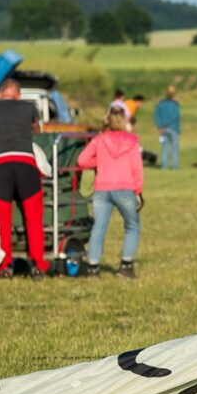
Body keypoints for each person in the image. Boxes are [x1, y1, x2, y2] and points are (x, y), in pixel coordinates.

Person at [0, 78, 49, 279]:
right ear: (18, 95)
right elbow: (37, 131)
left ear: (1, 94)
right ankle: (38, 263)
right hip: (26, 165)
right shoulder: (28, 107)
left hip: (0, 166)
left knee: (2, 219)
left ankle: (4, 266)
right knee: (33, 217)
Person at [78, 106, 144, 279]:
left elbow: (82, 160)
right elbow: (137, 168)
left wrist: (98, 164)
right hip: (125, 188)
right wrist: (138, 190)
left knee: (98, 228)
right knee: (132, 226)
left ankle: (93, 267)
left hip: (102, 188)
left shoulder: (99, 140)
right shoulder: (132, 141)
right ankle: (126, 265)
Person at [154, 86, 180, 170]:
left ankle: (164, 166)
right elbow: (175, 116)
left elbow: (156, 116)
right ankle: (175, 166)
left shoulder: (160, 104)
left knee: (164, 148)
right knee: (174, 148)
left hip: (162, 129)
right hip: (173, 128)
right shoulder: (175, 104)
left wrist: (160, 126)